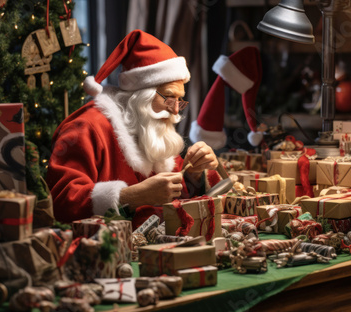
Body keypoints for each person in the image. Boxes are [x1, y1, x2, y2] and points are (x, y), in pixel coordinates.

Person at [46, 30, 221, 229]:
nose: (175, 110)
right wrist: (132, 196)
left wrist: (195, 174)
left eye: (180, 100)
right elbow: (61, 202)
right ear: (142, 96)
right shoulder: (87, 128)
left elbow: (178, 193)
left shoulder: (151, 127)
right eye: (169, 97)